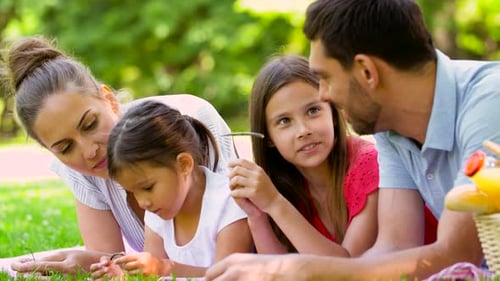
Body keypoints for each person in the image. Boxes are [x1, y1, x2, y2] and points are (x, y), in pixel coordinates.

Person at [205, 0, 500, 280]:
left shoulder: (490, 104)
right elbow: (395, 246)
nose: (323, 95)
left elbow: (457, 254)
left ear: (367, 72)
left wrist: (303, 271)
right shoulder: (390, 127)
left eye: (325, 78)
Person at [0, 35, 238, 277]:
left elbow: (239, 246)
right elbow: (113, 261)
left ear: (109, 100)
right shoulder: (80, 172)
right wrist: (84, 261)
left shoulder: (186, 126)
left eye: (91, 124)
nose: (89, 151)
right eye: (65, 148)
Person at [229, 54, 379, 256]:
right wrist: (257, 216)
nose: (303, 130)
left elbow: (346, 269)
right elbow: (278, 274)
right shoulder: (283, 185)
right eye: (284, 121)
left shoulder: (367, 164)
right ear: (269, 138)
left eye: (313, 110)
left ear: (333, 113)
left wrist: (275, 203)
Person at [89, 100, 253, 279]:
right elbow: (151, 275)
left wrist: (165, 267)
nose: (142, 202)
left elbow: (229, 276)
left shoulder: (229, 203)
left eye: (147, 187)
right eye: (133, 192)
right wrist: (123, 274)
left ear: (184, 164)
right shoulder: (158, 211)